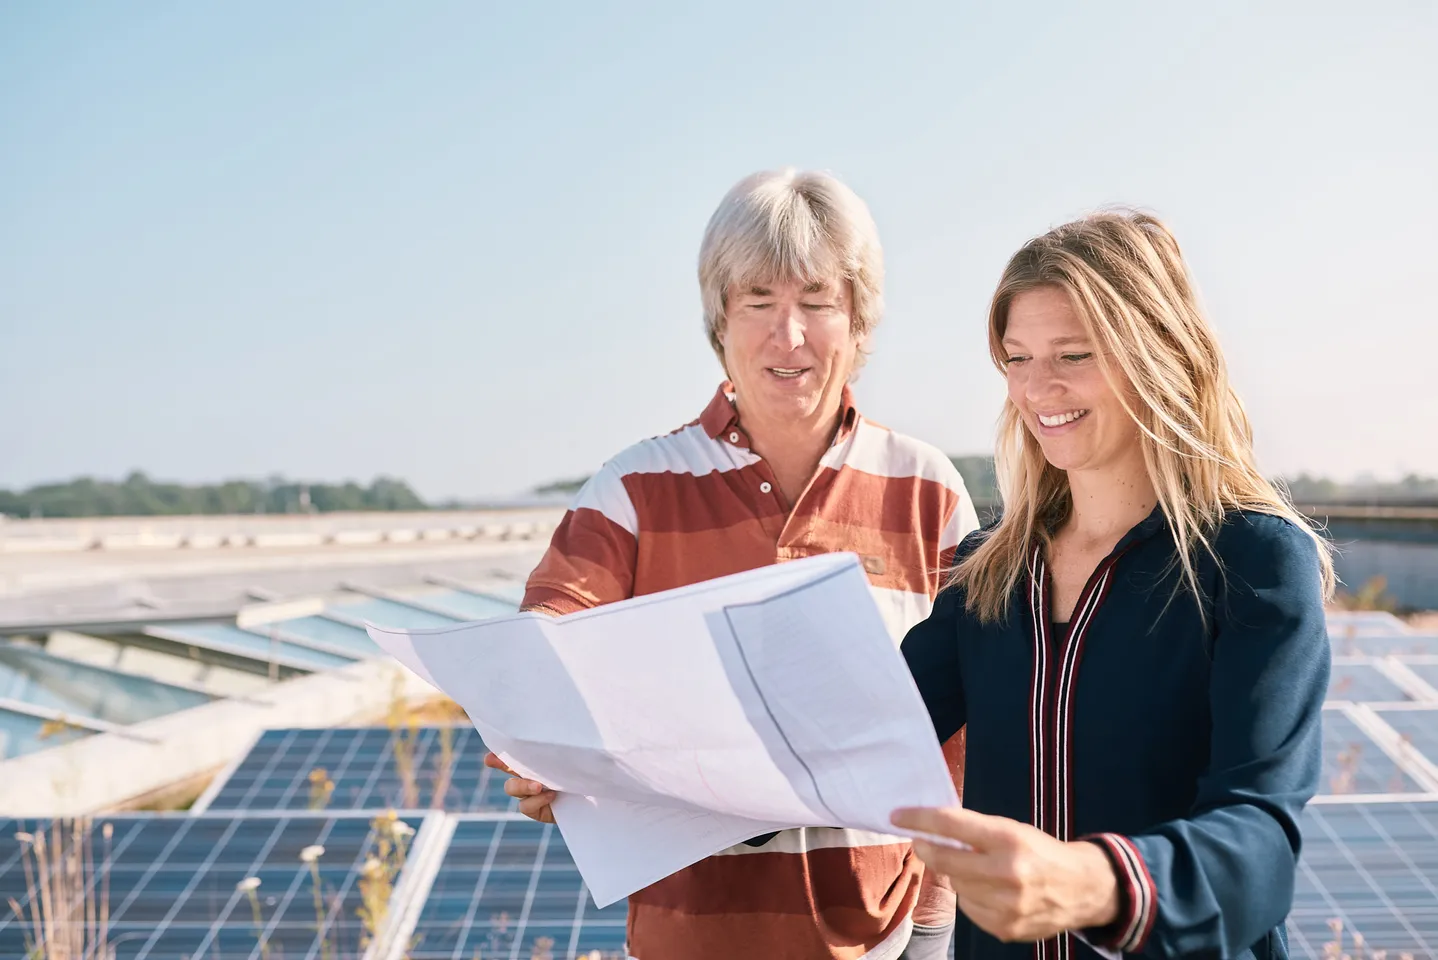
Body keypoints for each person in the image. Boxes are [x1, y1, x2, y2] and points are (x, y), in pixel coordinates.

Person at [484, 168, 980, 959]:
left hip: (878, 938)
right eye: (759, 301)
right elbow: (544, 641)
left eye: (817, 301)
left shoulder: (931, 493)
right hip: (688, 935)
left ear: (858, 320)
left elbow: (960, 743)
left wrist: (931, 926)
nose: (789, 335)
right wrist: (536, 742)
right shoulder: (633, 491)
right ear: (720, 318)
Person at [892, 210, 1334, 960]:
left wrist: (1092, 883)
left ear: (1160, 353)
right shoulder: (985, 573)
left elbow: (1261, 844)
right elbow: (851, 740)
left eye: (1074, 353)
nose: (1038, 389)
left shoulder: (1252, 562)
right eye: (1016, 358)